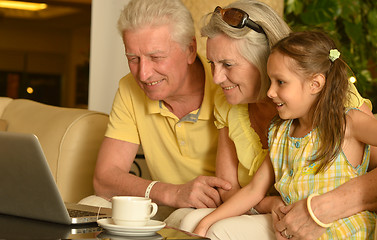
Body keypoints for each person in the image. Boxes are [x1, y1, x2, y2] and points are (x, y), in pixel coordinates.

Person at [178, 0, 377, 238]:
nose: (217, 78)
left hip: (341, 228)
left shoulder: (346, 119)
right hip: (289, 226)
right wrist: (205, 224)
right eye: (212, 63)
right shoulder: (281, 132)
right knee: (191, 222)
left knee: (220, 231)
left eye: (228, 64)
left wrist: (325, 207)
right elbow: (249, 190)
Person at [89, 0, 231, 220]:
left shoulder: (226, 88)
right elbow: (104, 179)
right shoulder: (129, 88)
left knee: (187, 220)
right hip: (163, 202)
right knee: (90, 206)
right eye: (133, 59)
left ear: (190, 50)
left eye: (156, 57)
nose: (143, 74)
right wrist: (170, 193)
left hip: (215, 208)